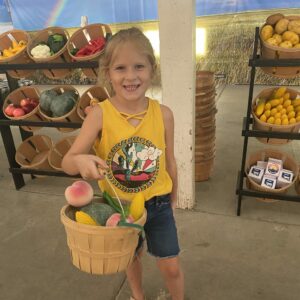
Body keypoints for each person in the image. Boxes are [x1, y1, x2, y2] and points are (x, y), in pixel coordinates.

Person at [62, 27, 184, 300]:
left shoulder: (164, 114)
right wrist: (80, 159)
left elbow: (170, 162)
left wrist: (173, 198)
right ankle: (137, 296)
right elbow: (67, 163)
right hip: (119, 206)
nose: (131, 76)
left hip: (159, 203)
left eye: (139, 66)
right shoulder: (99, 116)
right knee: (129, 259)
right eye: (120, 68)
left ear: (152, 68)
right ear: (108, 73)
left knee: (172, 265)